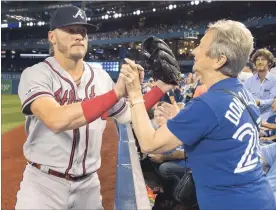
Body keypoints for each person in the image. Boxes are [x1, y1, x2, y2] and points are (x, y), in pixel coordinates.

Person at [15, 5, 171, 210]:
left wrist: (162, 86)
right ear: (52, 37)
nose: (78, 36)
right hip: (43, 185)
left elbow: (128, 115)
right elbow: (56, 119)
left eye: (83, 31)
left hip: (88, 186)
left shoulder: (100, 78)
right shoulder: (36, 74)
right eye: (70, 30)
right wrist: (115, 93)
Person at [119, 20, 276, 209]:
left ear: (219, 60)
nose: (193, 51)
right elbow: (220, 140)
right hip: (257, 198)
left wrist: (135, 92)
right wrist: (181, 120)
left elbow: (148, 143)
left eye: (201, 45)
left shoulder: (209, 103)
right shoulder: (243, 94)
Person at [244, 48, 276, 121]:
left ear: (269, 62)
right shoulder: (248, 81)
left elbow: (273, 100)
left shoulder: (274, 80)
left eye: (263, 59)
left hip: (269, 120)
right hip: (252, 119)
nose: (260, 62)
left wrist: (259, 102)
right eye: (258, 60)